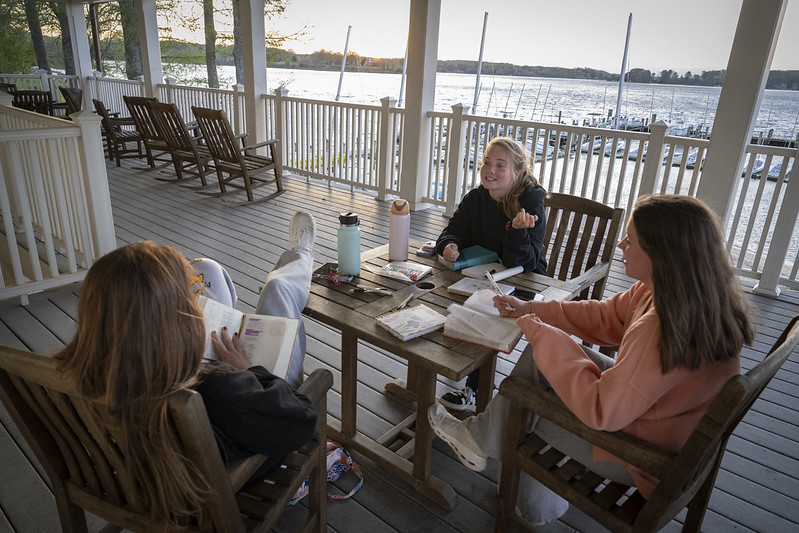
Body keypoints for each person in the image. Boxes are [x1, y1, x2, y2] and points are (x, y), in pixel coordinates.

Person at [427, 194, 754, 526]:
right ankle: (498, 461)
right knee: (538, 363)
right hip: (661, 420)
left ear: (661, 253)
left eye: (632, 240)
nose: (622, 245)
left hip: (643, 456)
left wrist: (541, 334)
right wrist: (531, 310)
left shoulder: (662, 325)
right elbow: (606, 317)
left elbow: (602, 409)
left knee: (525, 402)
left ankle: (499, 464)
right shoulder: (678, 293)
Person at [56, 210, 320, 526]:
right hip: (224, 470)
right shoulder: (220, 391)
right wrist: (249, 371)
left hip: (138, 473)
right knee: (279, 296)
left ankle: (294, 262)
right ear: (174, 326)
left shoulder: (76, 376)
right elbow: (303, 419)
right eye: (189, 304)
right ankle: (300, 258)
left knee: (207, 269)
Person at [435, 136, 548, 411]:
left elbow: (526, 263)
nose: (491, 170)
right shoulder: (475, 198)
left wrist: (519, 232)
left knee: (489, 315)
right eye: (487, 162)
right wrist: (450, 245)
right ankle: (434, 371)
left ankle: (473, 388)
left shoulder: (528, 205)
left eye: (500, 165)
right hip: (478, 275)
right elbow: (453, 229)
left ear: (517, 173)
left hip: (522, 280)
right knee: (434, 297)